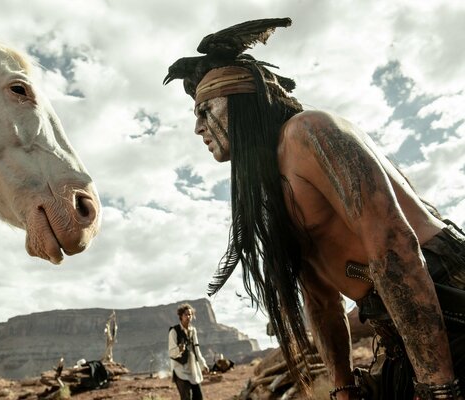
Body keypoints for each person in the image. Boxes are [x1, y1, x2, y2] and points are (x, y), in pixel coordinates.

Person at [164, 18, 465, 400]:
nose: (198, 128)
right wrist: (342, 388)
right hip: (396, 327)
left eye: (205, 110)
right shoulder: (272, 192)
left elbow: (393, 243)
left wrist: (438, 387)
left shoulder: (308, 133)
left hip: (446, 296)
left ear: (240, 102)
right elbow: (322, 302)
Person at [168, 303, 209, 400]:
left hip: (193, 369)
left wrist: (203, 364)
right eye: (186, 314)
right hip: (180, 370)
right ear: (181, 316)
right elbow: (171, 353)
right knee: (187, 397)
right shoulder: (174, 331)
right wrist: (179, 349)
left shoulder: (193, 330)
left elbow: (196, 349)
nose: (188, 316)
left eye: (190, 314)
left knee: (199, 397)